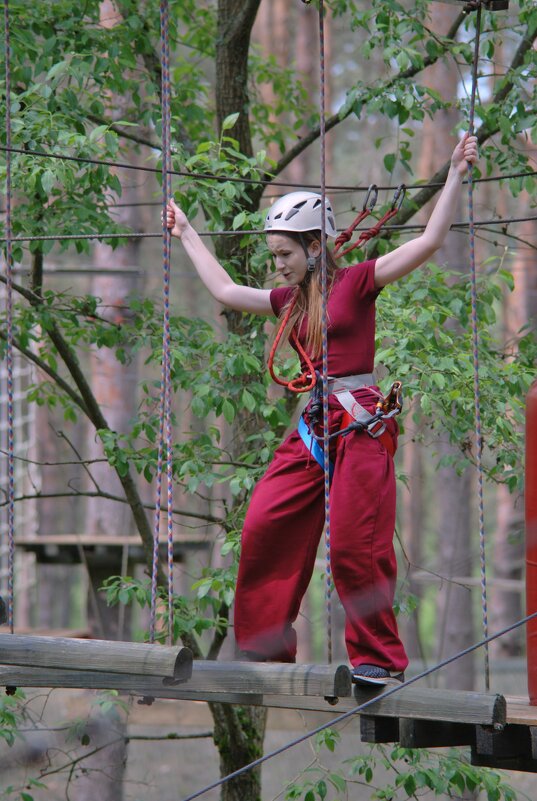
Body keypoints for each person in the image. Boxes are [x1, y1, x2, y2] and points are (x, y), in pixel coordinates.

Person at [166, 133, 479, 685]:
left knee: (355, 545)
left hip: (359, 423)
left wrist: (453, 174)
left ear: (316, 246)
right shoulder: (287, 301)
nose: (277, 266)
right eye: (273, 256)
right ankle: (262, 648)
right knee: (264, 521)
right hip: (313, 424)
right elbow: (224, 290)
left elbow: (429, 241)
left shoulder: (357, 283)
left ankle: (376, 658)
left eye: (285, 254)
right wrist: (187, 231)